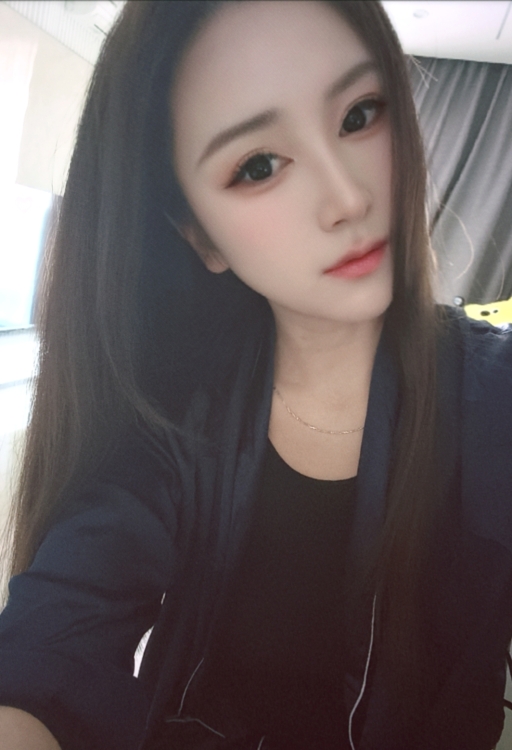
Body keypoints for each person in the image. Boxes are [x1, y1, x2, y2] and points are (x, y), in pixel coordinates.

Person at [0, 1, 511, 749]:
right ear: (200, 236)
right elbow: (55, 641)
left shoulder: (494, 396)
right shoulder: (177, 415)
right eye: (259, 166)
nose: (348, 198)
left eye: (359, 115)